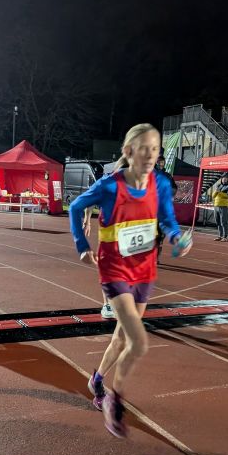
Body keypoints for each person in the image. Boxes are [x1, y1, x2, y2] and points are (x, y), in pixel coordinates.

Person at [69, 123, 191, 438]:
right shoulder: (110, 186)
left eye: (156, 148)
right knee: (138, 340)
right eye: (145, 148)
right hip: (114, 269)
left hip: (144, 269)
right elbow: (75, 207)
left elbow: (167, 218)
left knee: (122, 338)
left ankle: (96, 378)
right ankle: (114, 399)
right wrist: (83, 246)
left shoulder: (162, 184)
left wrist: (177, 237)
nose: (152, 154)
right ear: (129, 152)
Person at [83, 206, 115, 318]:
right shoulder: (104, 188)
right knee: (106, 268)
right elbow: (89, 204)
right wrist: (87, 221)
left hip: (126, 231)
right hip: (108, 234)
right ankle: (107, 304)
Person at [155, 153, 178, 260]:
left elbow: (174, 188)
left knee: (160, 235)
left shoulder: (168, 176)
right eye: (159, 162)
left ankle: (157, 257)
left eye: (162, 162)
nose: (161, 164)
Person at [211, 173, 228, 241]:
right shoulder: (218, 185)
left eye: (226, 178)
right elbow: (213, 196)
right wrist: (216, 192)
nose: (224, 179)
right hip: (216, 206)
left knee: (224, 222)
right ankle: (220, 236)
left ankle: (225, 237)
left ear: (227, 179)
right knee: (218, 222)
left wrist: (219, 192)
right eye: (223, 178)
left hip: (224, 206)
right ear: (221, 179)